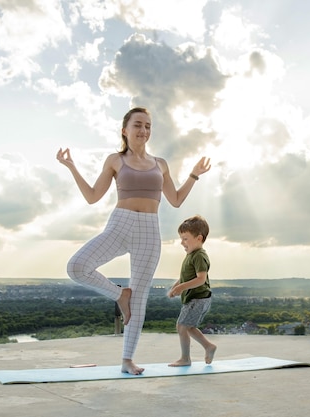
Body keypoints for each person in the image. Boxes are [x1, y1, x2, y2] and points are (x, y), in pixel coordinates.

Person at [56, 107, 211, 375]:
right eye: (138, 125)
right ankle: (120, 294)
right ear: (125, 130)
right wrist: (72, 167)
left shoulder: (160, 163)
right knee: (77, 266)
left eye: (148, 126)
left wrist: (194, 175)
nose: (143, 130)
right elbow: (93, 196)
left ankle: (127, 360)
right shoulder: (115, 160)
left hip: (150, 230)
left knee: (139, 301)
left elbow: (175, 200)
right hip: (121, 223)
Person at [167, 215, 217, 367]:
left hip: (199, 298)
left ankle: (185, 359)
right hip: (194, 298)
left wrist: (181, 288)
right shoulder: (191, 255)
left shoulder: (200, 256)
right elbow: (186, 276)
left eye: (185, 239)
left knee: (182, 326)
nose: (182, 242)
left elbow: (201, 279)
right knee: (186, 327)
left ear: (199, 238)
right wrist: (176, 286)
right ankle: (209, 346)